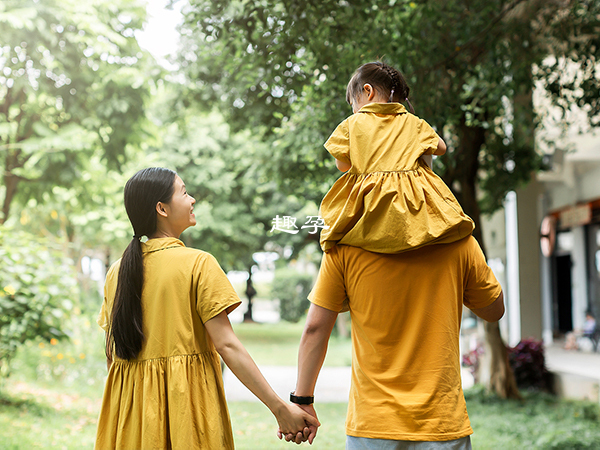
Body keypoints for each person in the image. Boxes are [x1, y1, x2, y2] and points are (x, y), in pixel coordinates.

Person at [95, 167, 318, 449]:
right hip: (187, 412)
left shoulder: (117, 272)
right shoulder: (198, 264)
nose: (192, 200)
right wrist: (279, 408)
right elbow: (228, 346)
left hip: (128, 418)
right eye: (184, 192)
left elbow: (112, 357)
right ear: (161, 208)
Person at [283, 236, 504, 448]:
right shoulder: (459, 242)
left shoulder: (345, 246)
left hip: (373, 423)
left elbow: (315, 329)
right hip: (440, 421)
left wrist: (302, 399)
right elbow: (494, 310)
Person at [319, 61, 474, 254]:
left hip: (371, 211)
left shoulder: (352, 124)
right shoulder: (414, 122)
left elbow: (342, 165)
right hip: (412, 212)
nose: (354, 111)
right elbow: (441, 148)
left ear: (368, 91)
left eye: (354, 104)